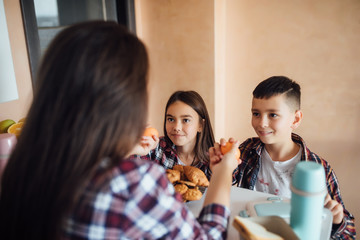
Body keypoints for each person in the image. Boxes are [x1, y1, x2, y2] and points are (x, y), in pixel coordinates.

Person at [0, 21, 241, 240]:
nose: (176, 127)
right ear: (127, 100)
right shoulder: (133, 182)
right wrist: (222, 172)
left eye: (186, 120)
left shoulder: (23, 168)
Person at [225, 76, 355, 239]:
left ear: (296, 119)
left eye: (273, 115)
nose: (262, 123)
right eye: (256, 113)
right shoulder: (246, 151)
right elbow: (210, 188)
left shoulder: (319, 169)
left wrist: (336, 221)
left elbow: (349, 233)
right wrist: (219, 166)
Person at [140, 90, 215, 179]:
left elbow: (231, 181)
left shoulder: (213, 157)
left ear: (201, 125)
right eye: (171, 119)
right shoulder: (154, 149)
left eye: (186, 120)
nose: (177, 127)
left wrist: (225, 166)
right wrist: (139, 149)